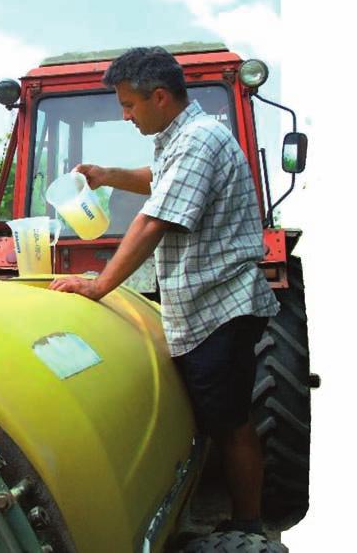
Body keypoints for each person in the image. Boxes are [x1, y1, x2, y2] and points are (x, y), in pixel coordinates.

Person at [49, 46, 280, 535]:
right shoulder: (180, 139)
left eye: (130, 105)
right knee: (217, 416)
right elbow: (158, 179)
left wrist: (100, 285)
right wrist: (107, 175)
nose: (125, 115)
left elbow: (154, 219)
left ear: (159, 96)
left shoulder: (200, 140)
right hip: (198, 303)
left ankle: (247, 525)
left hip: (221, 304)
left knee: (230, 422)